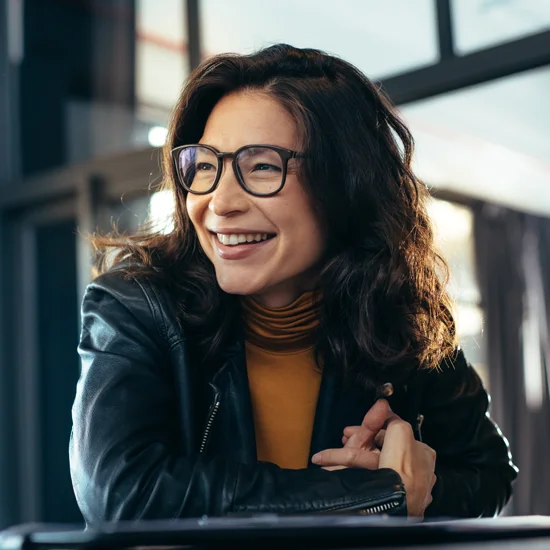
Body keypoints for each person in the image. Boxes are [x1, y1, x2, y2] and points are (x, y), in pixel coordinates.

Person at [70, 44, 517, 524]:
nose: (218, 203)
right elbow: (120, 493)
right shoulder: (137, 305)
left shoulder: (395, 312)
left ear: (346, 183)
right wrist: (374, 494)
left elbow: (489, 472)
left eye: (261, 166)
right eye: (204, 165)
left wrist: (418, 484)